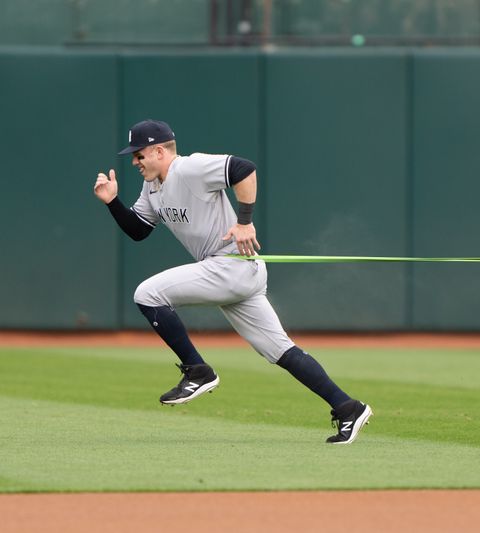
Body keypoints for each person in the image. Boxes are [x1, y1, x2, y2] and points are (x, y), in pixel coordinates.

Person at [93, 119, 372, 444]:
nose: (134, 163)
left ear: (158, 150)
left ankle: (198, 371)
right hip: (229, 272)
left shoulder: (190, 169)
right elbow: (139, 230)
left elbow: (244, 169)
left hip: (231, 265)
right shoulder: (152, 187)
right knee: (280, 350)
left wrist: (244, 222)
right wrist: (113, 202)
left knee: (148, 294)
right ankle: (348, 407)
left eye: (139, 155)